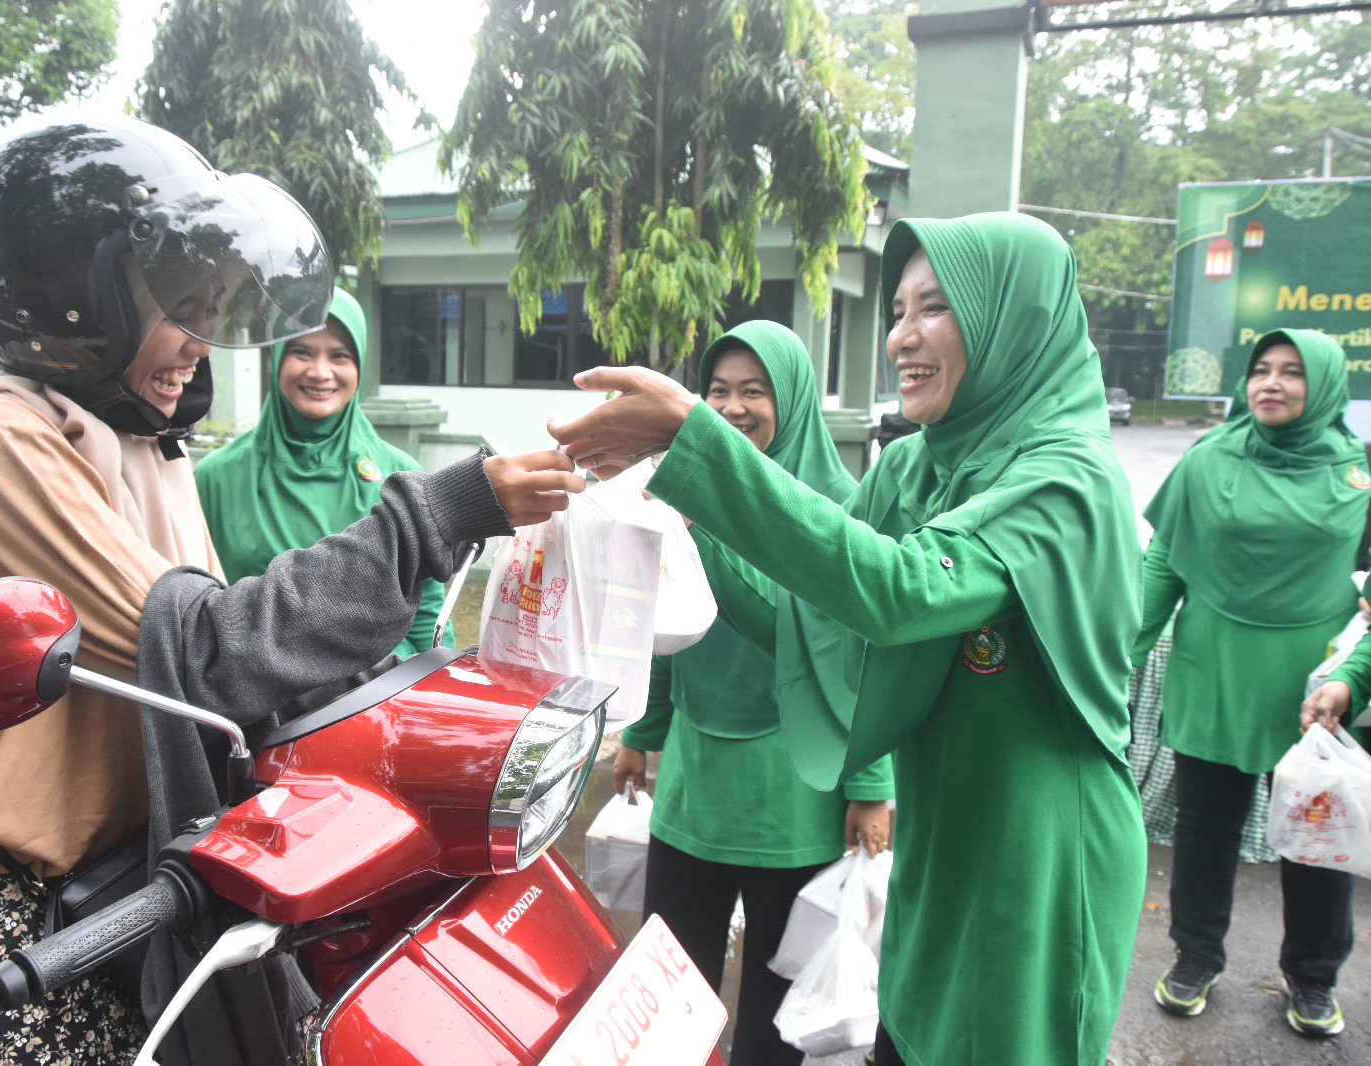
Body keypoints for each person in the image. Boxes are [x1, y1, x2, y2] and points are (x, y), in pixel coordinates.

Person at [0, 116, 580, 1066]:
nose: (206, 340)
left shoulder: (149, 442)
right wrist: (446, 507)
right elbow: (213, 653)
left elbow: (252, 670)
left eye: (217, 306)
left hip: (132, 879)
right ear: (75, 298)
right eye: (186, 302)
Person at [549, 212, 1146, 1066]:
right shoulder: (915, 466)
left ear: (1015, 320)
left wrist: (697, 440)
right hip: (943, 833)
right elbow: (803, 616)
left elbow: (896, 592)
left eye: (935, 308)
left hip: (1040, 845)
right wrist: (687, 505)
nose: (902, 335)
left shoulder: (1065, 477)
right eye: (898, 310)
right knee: (903, 1043)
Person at [611, 321, 891, 1066]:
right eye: (718, 392)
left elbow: (861, 661)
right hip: (697, 784)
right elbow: (672, 622)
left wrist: (870, 784)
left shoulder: (843, 506)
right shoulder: (692, 491)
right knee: (671, 981)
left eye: (753, 391)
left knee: (772, 1014)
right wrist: (643, 733)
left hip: (795, 786)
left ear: (791, 399)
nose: (732, 408)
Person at [1137, 329, 1362, 1037]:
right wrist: (1119, 650)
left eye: (1292, 373)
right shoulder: (1209, 460)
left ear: (1322, 385)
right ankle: (1195, 956)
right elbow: (1165, 564)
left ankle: (1314, 977)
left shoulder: (1360, 477)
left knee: (1313, 835)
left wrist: (1354, 679)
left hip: (1315, 689)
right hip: (1214, 670)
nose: (1271, 383)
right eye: (1261, 370)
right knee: (1207, 828)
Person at [195, 287, 450, 657]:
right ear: (277, 357)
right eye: (301, 351)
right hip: (255, 700)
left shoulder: (400, 475)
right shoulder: (217, 477)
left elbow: (429, 618)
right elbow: (195, 612)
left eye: (340, 356)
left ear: (359, 364)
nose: (320, 372)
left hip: (376, 697)